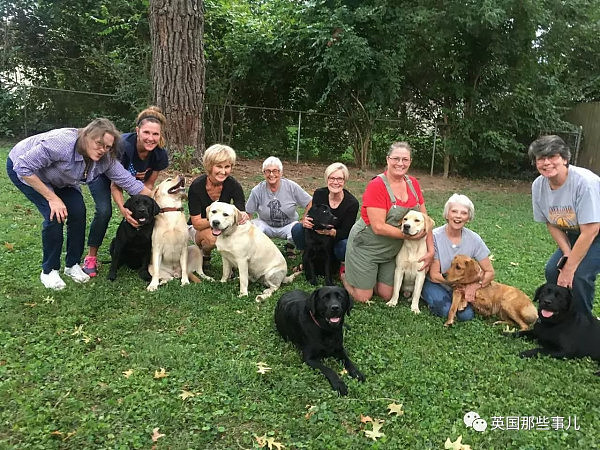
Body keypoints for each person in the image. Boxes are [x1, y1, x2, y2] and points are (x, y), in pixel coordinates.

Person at [7, 118, 152, 290]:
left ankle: (72, 265)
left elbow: (130, 183)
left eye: (107, 147)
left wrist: (162, 201)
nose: (102, 150)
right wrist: (52, 198)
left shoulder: (105, 158)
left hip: (62, 179)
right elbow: (22, 166)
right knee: (55, 216)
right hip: (27, 171)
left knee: (78, 212)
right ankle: (49, 270)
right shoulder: (62, 143)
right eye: (99, 143)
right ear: (86, 135)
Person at [342, 141, 434, 303]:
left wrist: (430, 251)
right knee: (364, 297)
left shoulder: (413, 184)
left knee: (386, 295)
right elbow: (378, 227)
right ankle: (344, 274)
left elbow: (425, 221)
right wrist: (409, 236)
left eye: (405, 159)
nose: (400, 163)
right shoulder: (377, 185)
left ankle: (369, 276)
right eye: (396, 158)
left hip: (391, 250)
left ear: (410, 161)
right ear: (387, 160)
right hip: (367, 246)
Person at [82, 106, 169, 277]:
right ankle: (91, 257)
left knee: (147, 209)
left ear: (160, 136)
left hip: (134, 183)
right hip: (103, 177)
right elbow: (116, 184)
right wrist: (124, 211)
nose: (151, 138)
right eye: (146, 133)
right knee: (104, 211)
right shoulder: (124, 146)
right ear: (138, 131)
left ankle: (149, 253)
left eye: (155, 134)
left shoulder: (160, 154)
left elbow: (149, 186)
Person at [528, 135, 600, 315]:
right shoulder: (538, 186)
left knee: (580, 275)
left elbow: (591, 229)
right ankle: (561, 317)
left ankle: (582, 324)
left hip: (594, 232)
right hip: (576, 233)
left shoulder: (585, 183)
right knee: (553, 270)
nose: (546, 163)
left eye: (552, 157)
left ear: (565, 159)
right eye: (540, 158)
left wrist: (570, 267)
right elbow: (551, 223)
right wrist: (567, 254)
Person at [421, 194, 495, 321]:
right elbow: (434, 275)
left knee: (466, 316)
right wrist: (461, 285)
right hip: (437, 283)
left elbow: (490, 272)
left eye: (464, 213)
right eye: (454, 211)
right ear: (447, 214)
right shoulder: (434, 237)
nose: (458, 216)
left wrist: (473, 286)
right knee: (444, 310)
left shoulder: (474, 239)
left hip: (460, 286)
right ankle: (425, 295)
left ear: (468, 217)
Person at [188, 144, 249, 269]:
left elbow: (240, 214)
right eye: (219, 166)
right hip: (198, 228)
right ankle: (205, 254)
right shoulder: (197, 186)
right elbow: (197, 223)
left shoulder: (233, 185)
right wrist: (220, 220)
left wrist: (243, 216)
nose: (223, 171)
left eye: (227, 167)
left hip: (224, 224)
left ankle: (237, 262)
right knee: (212, 238)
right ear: (209, 166)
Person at [290, 162, 359, 269]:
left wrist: (330, 232)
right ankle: (307, 256)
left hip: (336, 237)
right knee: (297, 229)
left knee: (344, 246)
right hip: (317, 234)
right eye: (332, 178)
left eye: (340, 179)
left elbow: (346, 232)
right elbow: (311, 214)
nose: (335, 182)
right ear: (327, 179)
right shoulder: (319, 193)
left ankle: (340, 263)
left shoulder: (352, 203)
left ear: (345, 180)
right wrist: (306, 221)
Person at [245, 156, 311, 247]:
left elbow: (310, 202)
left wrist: (304, 219)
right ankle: (259, 250)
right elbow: (248, 213)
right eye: (267, 171)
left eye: (275, 171)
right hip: (266, 224)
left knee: (299, 229)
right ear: (263, 173)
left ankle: (295, 248)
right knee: (252, 228)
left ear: (281, 173)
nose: (271, 174)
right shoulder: (257, 190)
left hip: (289, 224)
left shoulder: (291, 186)